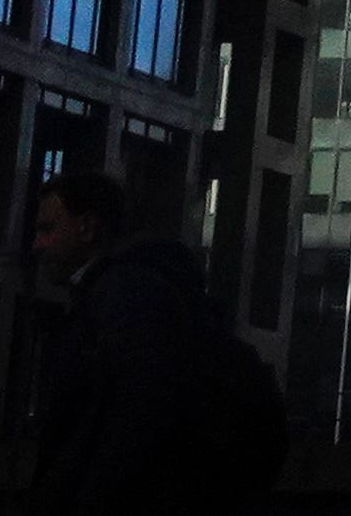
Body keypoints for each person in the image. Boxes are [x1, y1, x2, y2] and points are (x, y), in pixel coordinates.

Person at [29, 159, 258, 512]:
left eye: (47, 229)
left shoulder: (121, 298)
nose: (38, 244)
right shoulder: (137, 292)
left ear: (87, 227)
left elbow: (132, 419)